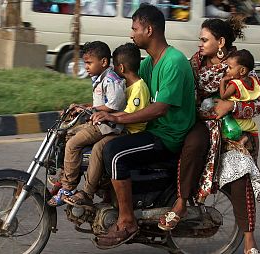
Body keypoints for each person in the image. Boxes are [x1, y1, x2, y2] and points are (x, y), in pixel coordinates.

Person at [90, 3, 196, 248]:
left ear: (149, 30)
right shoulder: (148, 64)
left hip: (168, 136)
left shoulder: (174, 61)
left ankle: (127, 221)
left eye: (134, 28)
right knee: (101, 143)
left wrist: (116, 118)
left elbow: (159, 108)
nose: (131, 33)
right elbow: (125, 96)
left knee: (114, 154)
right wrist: (93, 108)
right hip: (153, 131)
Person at [158, 17, 260, 254]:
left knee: (240, 177)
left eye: (204, 40)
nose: (199, 44)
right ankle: (181, 203)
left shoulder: (240, 64)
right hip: (201, 121)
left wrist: (232, 107)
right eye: (200, 39)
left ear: (221, 42)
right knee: (193, 144)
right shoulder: (195, 62)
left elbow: (259, 104)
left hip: (232, 131)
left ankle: (249, 238)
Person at [65, 42, 151, 206]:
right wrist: (86, 108)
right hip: (119, 128)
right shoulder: (126, 85)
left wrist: (108, 116)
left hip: (130, 133)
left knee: (99, 148)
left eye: (115, 67)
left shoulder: (139, 87)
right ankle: (97, 184)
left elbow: (130, 115)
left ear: (121, 67)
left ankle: (87, 192)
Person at [47, 41, 126, 206]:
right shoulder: (100, 78)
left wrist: (90, 109)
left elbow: (113, 105)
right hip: (97, 122)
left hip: (106, 127)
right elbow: (100, 103)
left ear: (103, 62)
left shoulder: (111, 80)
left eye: (89, 63)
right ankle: (65, 176)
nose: (86, 67)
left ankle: (68, 187)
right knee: (67, 132)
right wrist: (82, 107)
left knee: (73, 144)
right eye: (85, 63)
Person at [219, 49, 260, 145]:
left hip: (235, 121)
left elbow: (223, 96)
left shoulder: (235, 84)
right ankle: (246, 138)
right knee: (253, 130)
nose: (227, 70)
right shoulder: (254, 80)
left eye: (230, 68)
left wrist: (222, 82)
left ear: (242, 70)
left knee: (225, 132)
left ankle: (241, 138)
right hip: (248, 122)